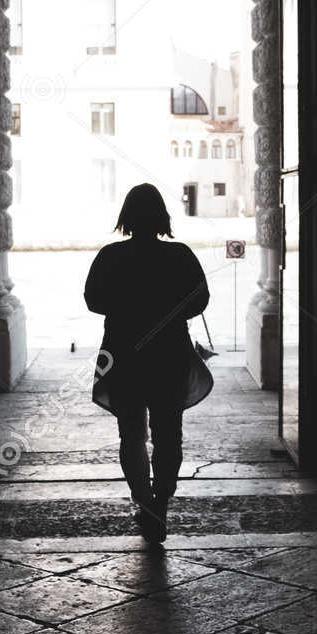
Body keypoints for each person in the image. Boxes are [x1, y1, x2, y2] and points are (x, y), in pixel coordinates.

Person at [84, 183, 212, 543]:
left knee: (132, 434)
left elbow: (93, 301)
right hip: (169, 352)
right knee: (168, 434)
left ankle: (144, 503)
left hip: (124, 352)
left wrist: (128, 305)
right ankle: (161, 502)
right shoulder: (181, 255)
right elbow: (199, 301)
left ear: (126, 216)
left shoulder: (110, 256)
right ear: (162, 217)